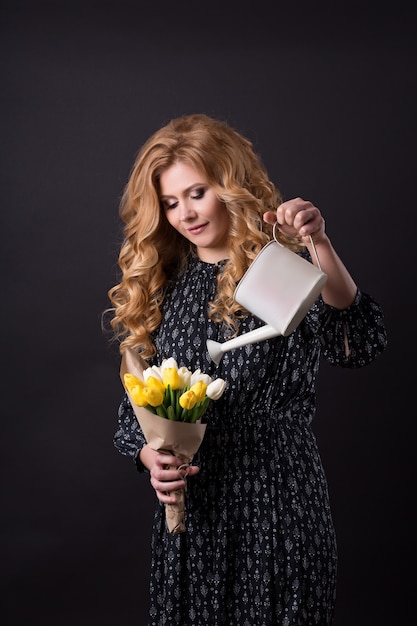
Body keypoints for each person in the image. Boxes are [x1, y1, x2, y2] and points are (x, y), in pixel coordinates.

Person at [107, 113, 387, 626]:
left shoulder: (282, 264)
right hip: (194, 514)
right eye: (169, 202)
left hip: (278, 501)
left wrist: (317, 244)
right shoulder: (164, 284)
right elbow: (135, 412)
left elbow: (357, 343)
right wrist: (150, 456)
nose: (184, 213)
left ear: (229, 185)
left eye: (197, 192)